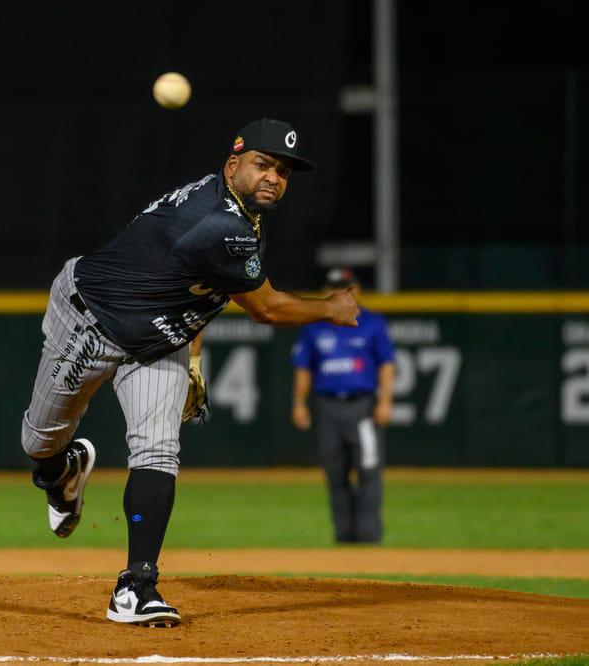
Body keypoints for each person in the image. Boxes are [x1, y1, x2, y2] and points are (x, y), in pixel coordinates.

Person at [20, 119, 360, 627]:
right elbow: (265, 309)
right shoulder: (219, 223)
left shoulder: (238, 210)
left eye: (283, 171)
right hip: (91, 319)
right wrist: (330, 309)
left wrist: (193, 357)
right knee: (39, 440)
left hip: (156, 337)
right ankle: (58, 472)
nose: (274, 177)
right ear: (232, 165)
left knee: (158, 449)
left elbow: (190, 287)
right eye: (263, 164)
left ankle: (136, 587)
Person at [290, 268, 395, 544]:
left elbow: (386, 364)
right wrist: (299, 403)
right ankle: (344, 537)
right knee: (335, 473)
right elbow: (303, 368)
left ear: (355, 290)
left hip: (362, 407)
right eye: (333, 286)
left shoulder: (372, 322)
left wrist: (385, 401)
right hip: (328, 407)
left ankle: (369, 536)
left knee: (369, 471)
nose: (338, 291)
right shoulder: (313, 326)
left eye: (344, 287)